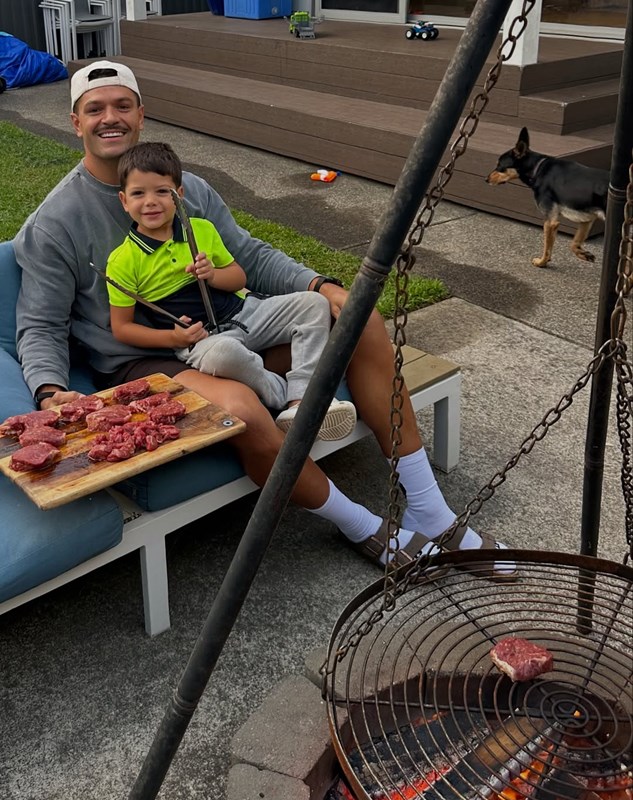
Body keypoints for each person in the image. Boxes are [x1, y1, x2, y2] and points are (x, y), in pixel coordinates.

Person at [14, 60, 515, 578]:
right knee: (243, 408)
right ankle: (364, 527)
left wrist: (322, 286)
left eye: (122, 105)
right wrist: (50, 390)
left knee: (359, 321)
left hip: (227, 329)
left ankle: (429, 509)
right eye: (95, 109)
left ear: (142, 115)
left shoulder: (188, 189)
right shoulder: (56, 222)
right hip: (148, 364)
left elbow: (248, 256)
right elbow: (40, 323)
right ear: (76, 123)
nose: (109, 118)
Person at [106, 140, 357, 441]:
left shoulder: (201, 229)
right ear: (123, 200)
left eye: (162, 191)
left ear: (180, 195)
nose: (151, 202)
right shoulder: (122, 261)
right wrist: (173, 337)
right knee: (224, 356)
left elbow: (238, 277)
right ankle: (286, 398)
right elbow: (122, 329)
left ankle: (302, 396)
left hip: (244, 311)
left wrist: (213, 275)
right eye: (138, 193)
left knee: (313, 304)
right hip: (203, 339)